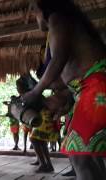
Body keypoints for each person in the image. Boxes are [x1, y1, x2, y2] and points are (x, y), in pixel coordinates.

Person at [23, 1, 106, 179]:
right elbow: (75, 71)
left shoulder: (57, 18)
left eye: (33, 9)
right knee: (91, 155)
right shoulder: (69, 22)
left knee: (80, 157)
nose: (32, 15)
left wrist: (36, 91)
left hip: (97, 88)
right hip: (93, 87)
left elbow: (59, 59)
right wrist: (66, 95)